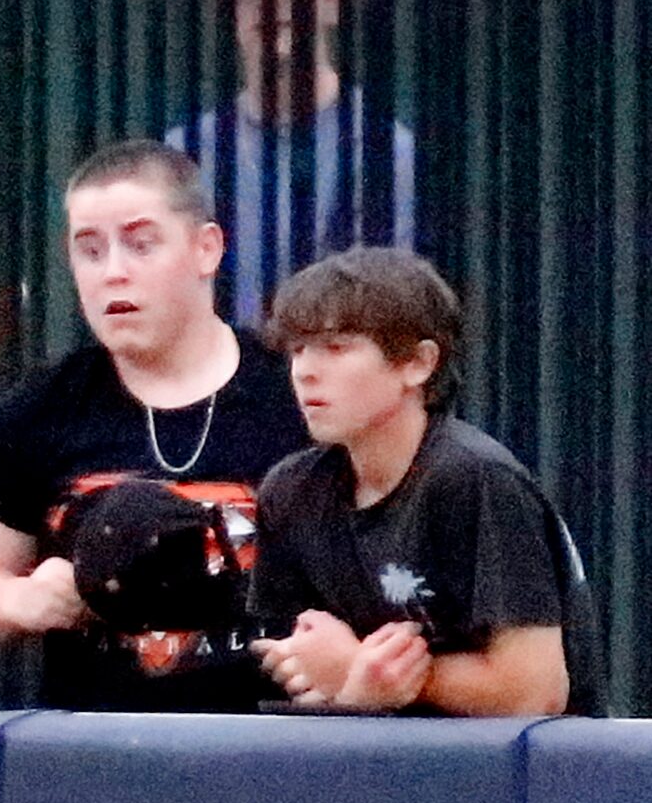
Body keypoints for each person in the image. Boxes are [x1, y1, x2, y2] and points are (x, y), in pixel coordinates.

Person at [0, 140, 312, 712]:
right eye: (90, 251)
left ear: (206, 248)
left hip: (276, 750)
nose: (114, 272)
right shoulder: (41, 410)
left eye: (141, 245)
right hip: (95, 754)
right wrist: (21, 599)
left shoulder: (298, 395)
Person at [248, 247, 589, 716]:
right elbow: (294, 663)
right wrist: (345, 687)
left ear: (418, 363)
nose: (305, 370)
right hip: (367, 774)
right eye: (298, 349)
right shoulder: (289, 492)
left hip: (518, 781)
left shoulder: (477, 480)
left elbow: (536, 692)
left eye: (336, 347)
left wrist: (370, 669)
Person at [168, 0, 419, 327]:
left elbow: (399, 318)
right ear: (234, 9)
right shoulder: (182, 158)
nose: (274, 1)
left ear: (333, 0)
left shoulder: (392, 157)